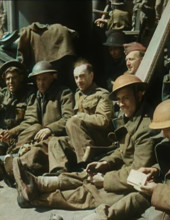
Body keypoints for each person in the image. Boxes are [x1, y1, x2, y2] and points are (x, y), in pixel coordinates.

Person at [13, 74, 159, 220]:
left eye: (125, 98)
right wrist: (106, 163)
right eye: (119, 100)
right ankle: (39, 184)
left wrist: (105, 179)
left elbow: (139, 172)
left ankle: (35, 198)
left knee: (89, 193)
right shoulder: (131, 118)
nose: (121, 104)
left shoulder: (145, 128)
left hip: (138, 183)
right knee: (85, 176)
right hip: (125, 173)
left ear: (139, 95)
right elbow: (123, 151)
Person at [6, 61, 74, 175]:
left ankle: (15, 167)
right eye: (38, 80)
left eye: (44, 79)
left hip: (57, 138)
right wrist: (12, 132)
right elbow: (31, 119)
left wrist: (49, 129)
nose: (41, 83)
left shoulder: (64, 93)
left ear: (53, 77)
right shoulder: (36, 96)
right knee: (35, 128)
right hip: (39, 137)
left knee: (36, 152)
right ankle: (13, 155)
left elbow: (69, 118)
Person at [47, 58, 114, 174]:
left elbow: (103, 121)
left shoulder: (102, 95)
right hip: (82, 140)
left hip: (100, 141)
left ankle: (86, 165)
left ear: (91, 76)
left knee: (73, 122)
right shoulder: (78, 94)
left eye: (82, 76)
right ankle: (59, 172)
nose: (79, 81)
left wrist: (80, 116)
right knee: (55, 141)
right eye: (76, 77)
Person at [0, 60, 35, 155]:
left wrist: (12, 132)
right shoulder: (3, 94)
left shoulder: (30, 94)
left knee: (36, 127)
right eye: (8, 79)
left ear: (21, 78)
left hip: (20, 134)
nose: (11, 82)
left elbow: (32, 119)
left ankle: (14, 152)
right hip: (3, 136)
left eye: (14, 78)